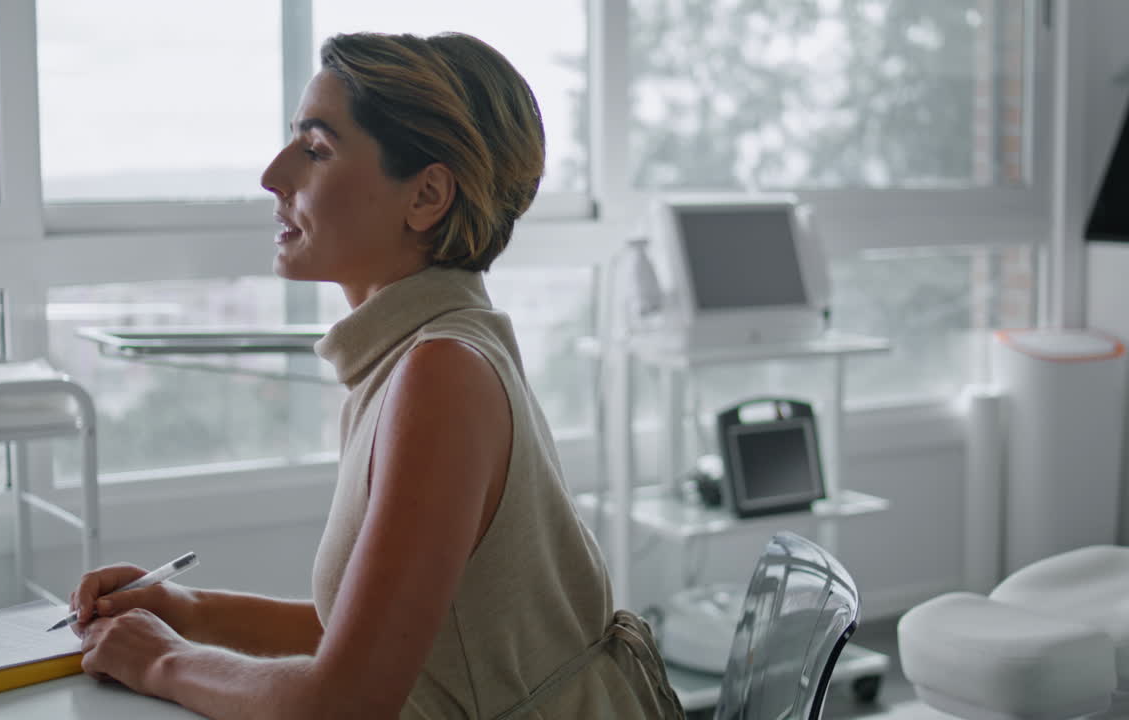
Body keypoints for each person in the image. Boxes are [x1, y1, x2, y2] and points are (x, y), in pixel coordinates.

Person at [69, 31, 684, 720]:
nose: (274, 174)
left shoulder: (441, 374)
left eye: (316, 148)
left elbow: (345, 703)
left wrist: (161, 658)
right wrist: (185, 610)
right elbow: (375, 640)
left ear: (425, 196)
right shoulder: (415, 356)